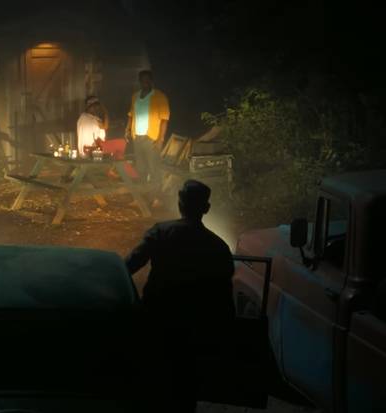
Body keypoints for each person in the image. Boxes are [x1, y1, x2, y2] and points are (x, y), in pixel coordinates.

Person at [124, 179, 233, 412]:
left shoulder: (160, 232)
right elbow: (224, 298)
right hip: (195, 329)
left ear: (180, 203)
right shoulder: (219, 247)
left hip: (156, 320)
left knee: (152, 382)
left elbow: (129, 266)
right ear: (206, 208)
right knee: (185, 389)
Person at [125, 69, 170, 206]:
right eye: (142, 80)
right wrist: (127, 129)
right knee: (140, 169)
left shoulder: (160, 96)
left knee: (153, 168)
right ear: (139, 81)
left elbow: (164, 119)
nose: (145, 82)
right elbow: (131, 114)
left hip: (152, 138)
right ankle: (141, 197)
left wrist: (160, 139)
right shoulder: (135, 96)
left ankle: (156, 198)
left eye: (147, 80)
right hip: (137, 137)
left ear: (151, 81)